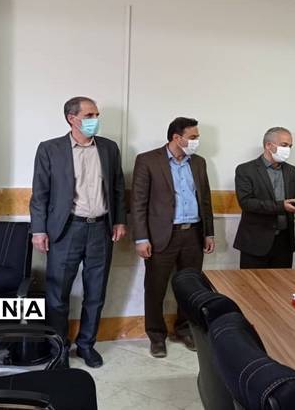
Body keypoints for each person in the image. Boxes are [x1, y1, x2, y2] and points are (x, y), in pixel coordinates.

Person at [30, 96, 127, 368]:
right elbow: (40, 193)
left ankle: (86, 345)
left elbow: (118, 188)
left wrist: (120, 221)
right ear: (72, 119)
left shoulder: (109, 148)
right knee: (57, 294)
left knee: (95, 293)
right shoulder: (50, 149)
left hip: (101, 230)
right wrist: (38, 230)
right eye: (89, 115)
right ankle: (59, 348)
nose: (95, 120)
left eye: (96, 115)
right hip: (66, 230)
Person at [132, 117, 215, 358]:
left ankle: (185, 329)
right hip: (161, 236)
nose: (197, 141)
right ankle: (156, 336)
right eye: (193, 137)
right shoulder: (148, 160)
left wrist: (209, 233)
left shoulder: (198, 162)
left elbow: (205, 199)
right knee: (155, 288)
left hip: (193, 234)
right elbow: (138, 203)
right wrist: (141, 238)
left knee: (190, 288)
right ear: (177, 138)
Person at [233, 127, 295, 269]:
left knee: (282, 283)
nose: (288, 150)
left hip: (284, 242)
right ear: (268, 145)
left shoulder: (291, 170)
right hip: (256, 242)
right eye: (284, 145)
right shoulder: (245, 170)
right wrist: (282, 206)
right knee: (252, 282)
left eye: (290, 146)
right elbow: (246, 203)